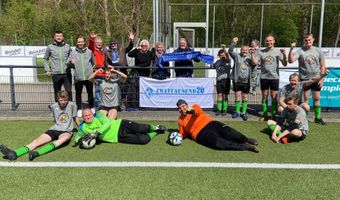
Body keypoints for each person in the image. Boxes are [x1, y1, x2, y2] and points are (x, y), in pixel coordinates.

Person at [0, 91, 79, 161]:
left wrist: (80, 127)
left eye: (65, 100)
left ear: (68, 98)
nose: (63, 102)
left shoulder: (72, 105)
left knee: (61, 140)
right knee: (36, 142)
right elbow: (56, 119)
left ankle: (36, 153)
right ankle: (14, 153)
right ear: (57, 99)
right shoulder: (54, 106)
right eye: (61, 100)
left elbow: (75, 117)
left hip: (66, 131)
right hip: (54, 129)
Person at [176, 99, 259, 153]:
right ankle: (246, 146)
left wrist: (187, 111)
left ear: (187, 105)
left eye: (183, 106)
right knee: (219, 144)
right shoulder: (180, 120)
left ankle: (245, 139)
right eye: (180, 108)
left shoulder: (194, 107)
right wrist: (177, 137)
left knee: (230, 133)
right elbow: (183, 133)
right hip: (200, 134)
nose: (182, 109)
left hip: (211, 124)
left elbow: (194, 112)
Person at [288, 33, 327, 125]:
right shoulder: (300, 51)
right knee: (305, 99)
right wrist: (291, 49)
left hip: (317, 78)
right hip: (304, 79)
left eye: (309, 40)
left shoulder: (318, 50)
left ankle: (317, 117)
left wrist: (321, 78)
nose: (308, 41)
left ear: (313, 40)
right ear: (304, 41)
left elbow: (322, 65)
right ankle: (304, 117)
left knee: (316, 98)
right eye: (306, 40)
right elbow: (290, 60)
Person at [74, 108, 166, 146]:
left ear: (92, 114)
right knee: (143, 140)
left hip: (121, 125)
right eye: (85, 116)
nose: (88, 117)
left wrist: (96, 133)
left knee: (141, 128)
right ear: (82, 117)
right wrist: (79, 141)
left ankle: (155, 127)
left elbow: (107, 123)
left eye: (89, 114)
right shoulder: (82, 127)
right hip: (117, 137)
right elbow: (77, 136)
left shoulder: (98, 115)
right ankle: (156, 132)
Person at [251, 34, 287, 120]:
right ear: (265, 42)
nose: (269, 42)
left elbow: (285, 64)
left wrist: (284, 54)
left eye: (270, 40)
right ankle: (265, 114)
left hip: (274, 77)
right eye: (267, 41)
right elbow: (254, 63)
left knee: (274, 97)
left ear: (274, 41)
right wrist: (252, 54)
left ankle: (273, 115)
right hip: (264, 77)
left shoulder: (278, 52)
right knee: (264, 96)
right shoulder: (261, 52)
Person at [67, 35, 96, 117]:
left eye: (82, 41)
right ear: (77, 42)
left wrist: (90, 71)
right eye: (79, 42)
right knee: (78, 94)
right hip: (78, 77)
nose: (80, 43)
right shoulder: (73, 53)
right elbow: (67, 63)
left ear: (84, 42)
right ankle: (79, 109)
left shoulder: (89, 52)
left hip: (88, 77)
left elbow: (94, 63)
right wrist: (70, 62)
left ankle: (92, 107)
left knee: (90, 93)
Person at [229, 37, 256, 121]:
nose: (244, 51)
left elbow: (255, 63)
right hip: (237, 80)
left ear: (248, 50)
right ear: (240, 50)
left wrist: (252, 54)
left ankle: (243, 113)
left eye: (246, 50)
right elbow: (230, 51)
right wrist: (233, 42)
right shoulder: (237, 56)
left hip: (246, 81)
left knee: (244, 97)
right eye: (243, 50)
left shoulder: (250, 57)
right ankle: (237, 111)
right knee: (237, 96)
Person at [43, 31, 72, 102]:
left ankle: (70, 107)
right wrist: (47, 70)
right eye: (57, 36)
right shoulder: (50, 47)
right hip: (56, 74)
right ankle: (57, 108)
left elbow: (71, 57)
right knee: (57, 92)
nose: (58, 37)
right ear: (54, 37)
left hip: (66, 74)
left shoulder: (68, 46)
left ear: (63, 37)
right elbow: (45, 59)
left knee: (69, 92)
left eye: (60, 36)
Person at [127, 39, 153, 109]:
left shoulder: (149, 53)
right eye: (142, 45)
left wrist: (136, 66)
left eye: (145, 46)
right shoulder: (137, 52)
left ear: (147, 46)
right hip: (137, 74)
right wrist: (136, 48)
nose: (143, 47)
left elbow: (147, 63)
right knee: (135, 90)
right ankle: (134, 105)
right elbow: (129, 54)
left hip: (145, 74)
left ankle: (144, 105)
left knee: (144, 90)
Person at [88, 33, 110, 109]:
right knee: (98, 91)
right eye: (97, 43)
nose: (99, 44)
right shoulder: (92, 50)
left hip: (104, 74)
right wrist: (92, 39)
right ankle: (98, 107)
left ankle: (105, 106)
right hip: (97, 73)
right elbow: (90, 46)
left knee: (105, 91)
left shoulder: (104, 51)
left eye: (100, 43)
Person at [211, 48, 231, 116]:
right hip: (219, 81)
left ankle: (224, 109)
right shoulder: (217, 62)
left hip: (226, 80)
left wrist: (224, 49)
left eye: (223, 55)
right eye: (221, 55)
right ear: (218, 55)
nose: (222, 56)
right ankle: (219, 109)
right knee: (219, 95)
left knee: (225, 95)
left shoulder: (228, 61)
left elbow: (228, 56)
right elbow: (212, 65)